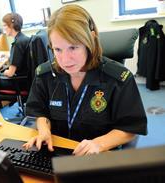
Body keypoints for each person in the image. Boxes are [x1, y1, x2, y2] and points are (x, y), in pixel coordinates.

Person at [23, 4, 147, 156]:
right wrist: (43, 131)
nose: (65, 59)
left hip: (97, 155)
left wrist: (99, 144)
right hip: (55, 151)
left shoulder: (119, 79)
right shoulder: (45, 74)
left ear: (91, 40)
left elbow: (130, 128)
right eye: (58, 49)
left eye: (73, 48)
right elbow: (38, 111)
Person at [0, 13, 30, 107]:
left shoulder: (17, 44)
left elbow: (10, 73)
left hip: (20, 83)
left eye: (4, 25)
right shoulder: (23, 38)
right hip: (26, 80)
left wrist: (2, 71)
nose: (3, 29)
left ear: (11, 26)